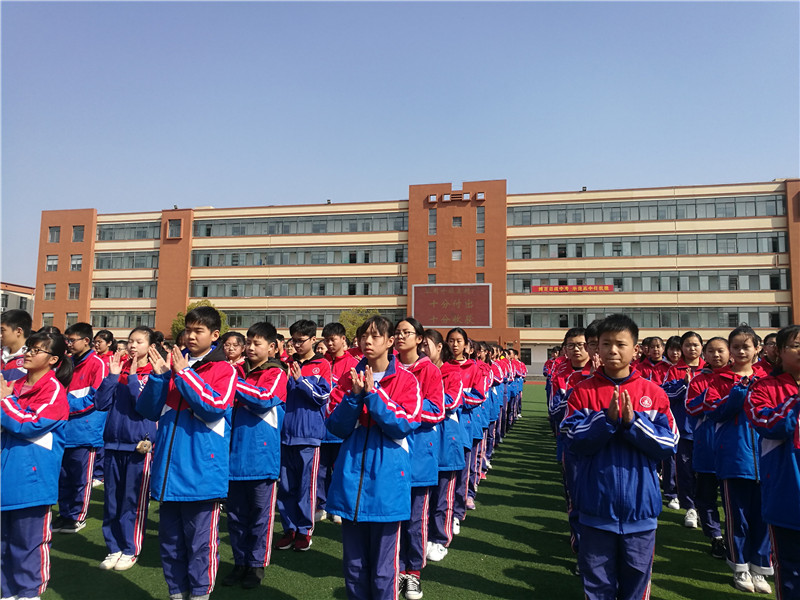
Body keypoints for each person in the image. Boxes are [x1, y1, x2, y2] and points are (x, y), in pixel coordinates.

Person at [562, 313, 678, 600]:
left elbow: (669, 443)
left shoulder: (653, 393)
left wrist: (632, 423)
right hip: (595, 509)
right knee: (597, 586)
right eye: (606, 344)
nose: (613, 350)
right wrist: (606, 420)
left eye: (620, 344)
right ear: (597, 348)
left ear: (635, 349)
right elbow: (573, 439)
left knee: (636, 586)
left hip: (641, 511)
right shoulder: (582, 393)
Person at [136, 305, 236, 600]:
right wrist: (158, 378)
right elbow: (147, 409)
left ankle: (200, 593)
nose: (191, 336)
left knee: (200, 544)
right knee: (170, 543)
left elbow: (214, 407)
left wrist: (184, 374)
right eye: (188, 330)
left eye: (198, 331)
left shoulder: (224, 369)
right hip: (169, 472)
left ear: (214, 335)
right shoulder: (174, 365)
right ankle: (177, 593)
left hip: (201, 472)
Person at [325, 315, 422, 600]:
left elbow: (404, 423)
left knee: (383, 570)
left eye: (376, 336)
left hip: (387, 482)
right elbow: (334, 425)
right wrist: (354, 397)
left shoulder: (406, 380)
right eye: (363, 336)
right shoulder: (348, 378)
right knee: (354, 567)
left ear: (390, 341)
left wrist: (373, 395)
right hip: (351, 479)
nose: (367, 341)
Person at [0, 331, 71, 600]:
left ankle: (29, 593)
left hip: (32, 481)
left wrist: (5, 402)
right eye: (29, 347)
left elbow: (28, 424)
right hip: (6, 477)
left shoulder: (54, 392)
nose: (29, 353)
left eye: (37, 350)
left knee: (28, 543)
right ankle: (7, 592)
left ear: (53, 360)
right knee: (4, 543)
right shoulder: (14, 385)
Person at [703, 324, 773, 594]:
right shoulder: (718, 380)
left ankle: (760, 568)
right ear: (730, 350)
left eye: (746, 346)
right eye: (736, 347)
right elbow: (713, 412)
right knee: (737, 517)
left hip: (766, 459)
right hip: (734, 458)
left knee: (764, 516)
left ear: (757, 348)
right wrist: (736, 395)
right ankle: (740, 566)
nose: (741, 351)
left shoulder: (768, 379)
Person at [223, 321, 288, 589]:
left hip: (262, 459)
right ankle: (240, 562)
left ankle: (256, 565)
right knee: (236, 517)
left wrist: (232, 381)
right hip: (233, 458)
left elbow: (264, 398)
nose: (249, 347)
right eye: (248, 342)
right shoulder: (236, 371)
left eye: (256, 343)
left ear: (272, 348)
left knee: (260, 517)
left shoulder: (277, 373)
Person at [93, 327, 158, 571]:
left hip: (138, 446)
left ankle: (130, 548)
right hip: (113, 444)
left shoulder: (154, 373)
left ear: (150, 346)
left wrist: (131, 377)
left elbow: (142, 405)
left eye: (139, 342)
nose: (133, 346)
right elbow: (100, 403)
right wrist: (112, 376)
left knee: (132, 500)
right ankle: (113, 547)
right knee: (111, 500)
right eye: (130, 341)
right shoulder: (117, 369)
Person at [746, 324, 800, 600]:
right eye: (796, 345)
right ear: (778, 351)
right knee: (791, 571)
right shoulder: (762, 388)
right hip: (787, 491)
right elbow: (767, 424)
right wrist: (796, 401)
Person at [394, 317, 444, 600]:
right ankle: (394, 568)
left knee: (415, 519)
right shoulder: (388, 367)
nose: (401, 336)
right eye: (397, 332)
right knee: (392, 518)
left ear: (419, 338)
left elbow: (437, 410)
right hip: (390, 454)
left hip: (419, 455)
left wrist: (403, 408)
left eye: (407, 332)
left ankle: (413, 572)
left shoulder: (430, 371)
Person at [274, 319, 332, 552]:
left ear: (313, 339)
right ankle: (289, 529)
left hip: (309, 435)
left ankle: (304, 531)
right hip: (285, 434)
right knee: (286, 486)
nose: (296, 345)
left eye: (301, 340)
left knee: (306, 487)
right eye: (293, 341)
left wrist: (300, 381)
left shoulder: (322, 365)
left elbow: (323, 397)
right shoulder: (285, 364)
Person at [53, 322, 108, 534]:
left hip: (85, 431)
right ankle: (64, 513)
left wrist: (65, 406)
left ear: (86, 341)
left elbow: (96, 398)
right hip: (65, 429)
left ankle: (77, 516)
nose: (68, 343)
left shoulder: (97, 364)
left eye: (72, 340)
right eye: (66, 339)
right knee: (64, 476)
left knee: (80, 478)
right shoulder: (67, 362)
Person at [684, 337, 730, 559]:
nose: (716, 355)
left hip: (733, 451)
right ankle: (716, 537)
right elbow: (691, 407)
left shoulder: (739, 378)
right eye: (711, 351)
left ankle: (735, 537)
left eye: (720, 350)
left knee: (733, 500)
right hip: (706, 447)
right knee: (706, 496)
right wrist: (711, 397)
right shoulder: (699, 380)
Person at [422, 328, 463, 563]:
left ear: (439, 347)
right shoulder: (418, 371)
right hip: (424, 442)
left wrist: (424, 401)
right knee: (424, 496)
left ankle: (440, 538)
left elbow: (451, 402)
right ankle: (424, 535)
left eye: (426, 345)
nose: (422, 350)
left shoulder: (452, 373)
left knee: (442, 496)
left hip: (446, 441)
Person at [442, 328, 484, 538]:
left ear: (466, 345)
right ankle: (443, 514)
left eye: (459, 341)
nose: (455, 345)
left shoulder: (473, 368)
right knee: (445, 475)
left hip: (465, 427)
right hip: (445, 427)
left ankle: (457, 512)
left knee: (462, 472)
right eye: (451, 340)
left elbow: (479, 396)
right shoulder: (442, 366)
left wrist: (457, 399)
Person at [661, 331, 705, 520]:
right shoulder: (674, 370)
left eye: (695, 345)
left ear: (701, 347)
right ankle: (690, 508)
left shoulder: (708, 370)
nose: (691, 348)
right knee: (685, 471)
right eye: (688, 345)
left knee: (704, 473)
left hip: (706, 430)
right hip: (684, 429)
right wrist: (683, 385)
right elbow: (664, 394)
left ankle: (704, 507)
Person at [317, 322, 358, 524]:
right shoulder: (320, 362)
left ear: (343, 339)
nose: (330, 344)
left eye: (333, 339)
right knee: (321, 470)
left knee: (341, 469)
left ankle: (339, 507)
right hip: (320, 425)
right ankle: (321, 505)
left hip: (342, 425)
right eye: (326, 340)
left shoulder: (354, 363)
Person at [1, 309, 32, 383]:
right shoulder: (1, 354)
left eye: (2, 330)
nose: (0, 335)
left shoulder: (31, 359)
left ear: (18, 331)